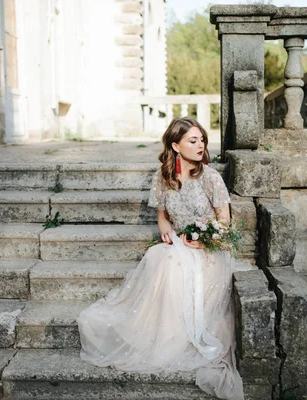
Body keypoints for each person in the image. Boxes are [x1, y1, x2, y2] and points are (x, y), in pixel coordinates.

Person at [76, 117, 244, 400]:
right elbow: (163, 218)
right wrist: (167, 233)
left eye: (202, 139)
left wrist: (204, 241)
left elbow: (225, 222)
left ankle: (178, 338)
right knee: (158, 256)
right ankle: (157, 335)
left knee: (174, 264)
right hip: (179, 243)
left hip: (210, 249)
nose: (200, 145)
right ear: (176, 146)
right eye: (193, 141)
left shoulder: (211, 177)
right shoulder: (163, 177)